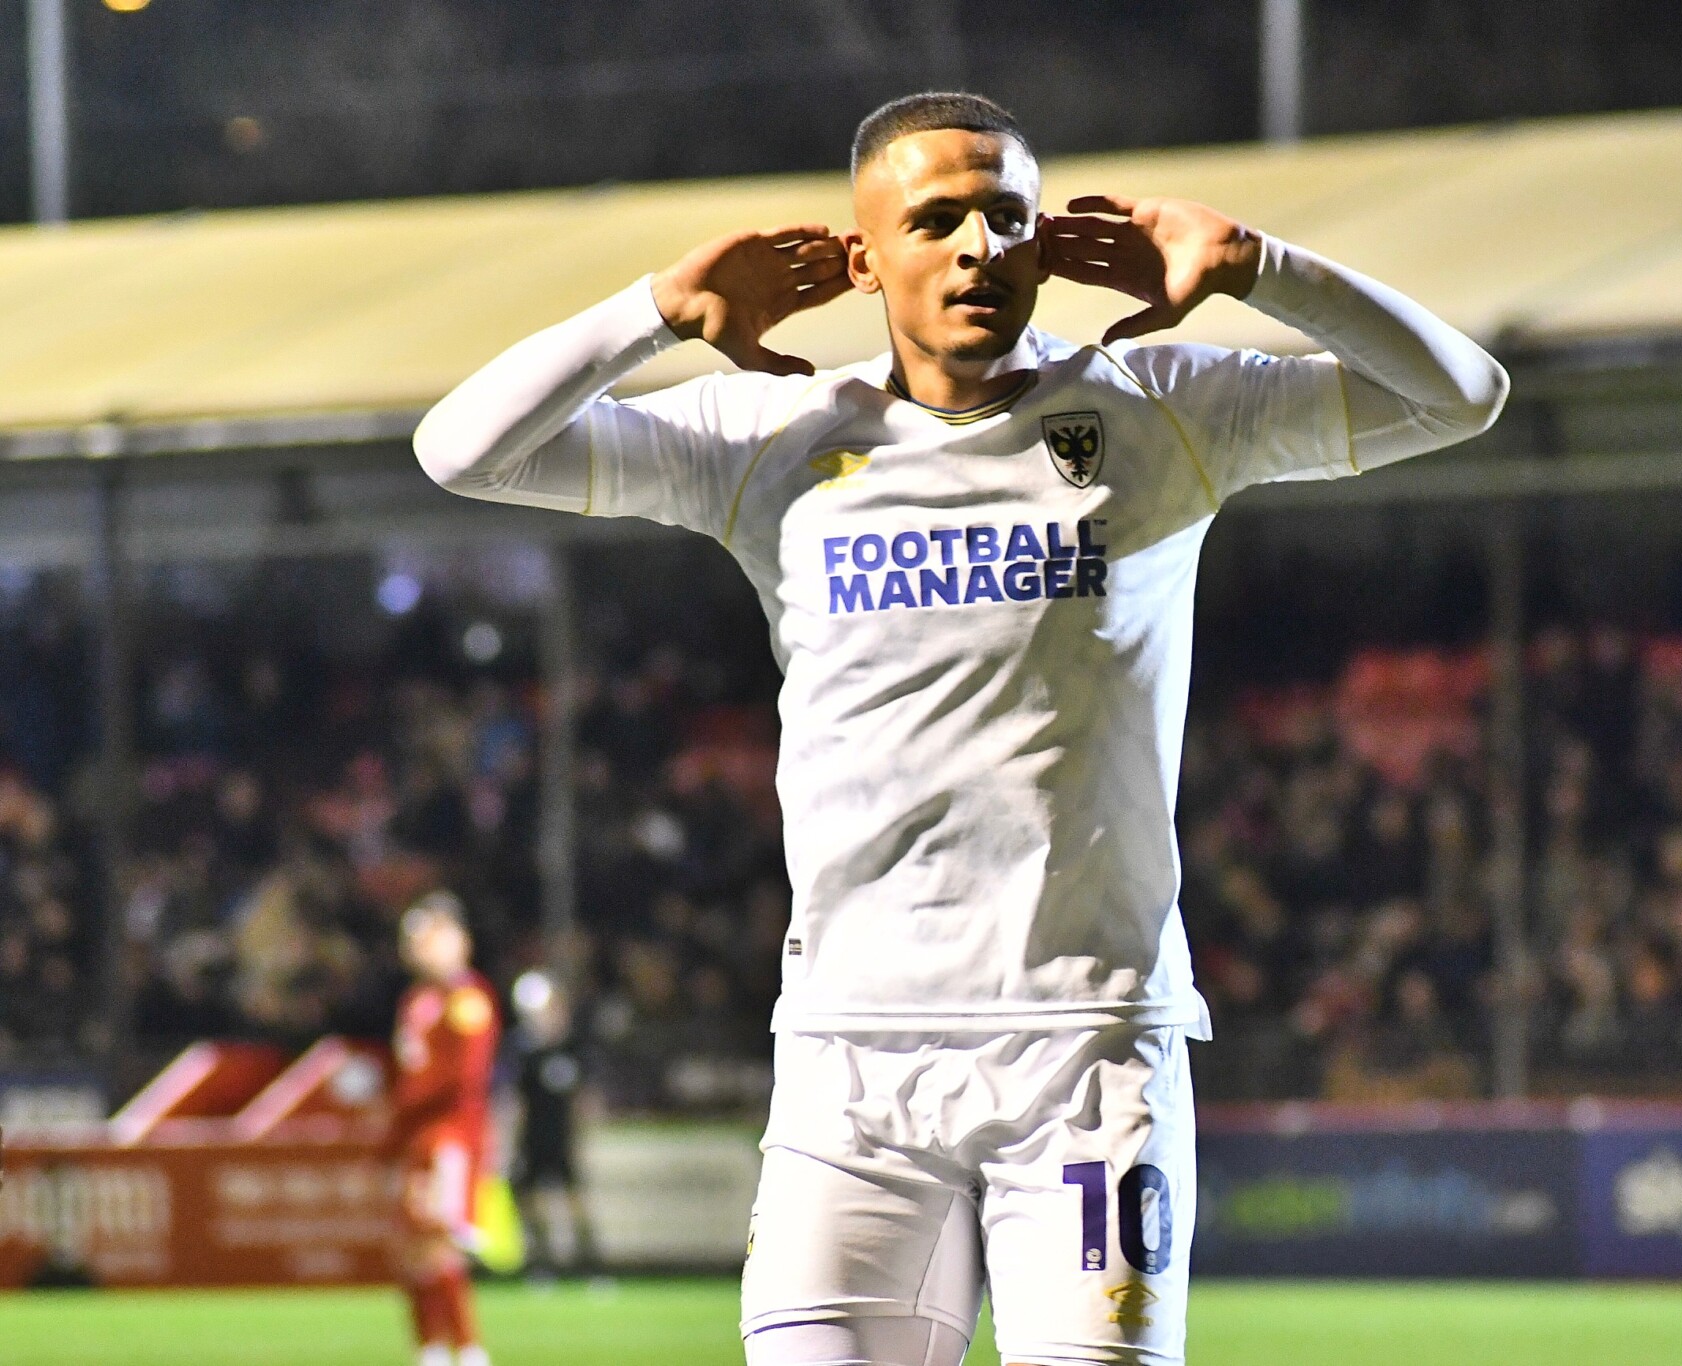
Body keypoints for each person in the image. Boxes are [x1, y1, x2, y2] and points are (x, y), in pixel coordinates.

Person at [415, 90, 1506, 1366]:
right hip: (849, 1065)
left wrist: (1258, 266)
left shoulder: (1158, 408)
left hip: (1089, 1057)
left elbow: (1461, 395)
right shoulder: (773, 436)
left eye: (1008, 216)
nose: (980, 246)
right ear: (864, 257)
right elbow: (462, 452)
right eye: (935, 220)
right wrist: (656, 308)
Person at [386, 892, 501, 1366]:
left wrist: (410, 1100)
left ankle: (468, 1350)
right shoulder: (416, 999)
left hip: (450, 1136)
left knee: (440, 1244)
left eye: (431, 935)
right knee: (411, 1246)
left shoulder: (467, 999)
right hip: (415, 1136)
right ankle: (430, 1347)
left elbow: (464, 1078)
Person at [508, 969, 600, 1276]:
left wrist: (581, 1135)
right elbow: (516, 1101)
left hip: (562, 1135)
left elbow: (583, 1098)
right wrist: (512, 1140)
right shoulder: (524, 1052)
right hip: (533, 1136)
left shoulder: (573, 1046)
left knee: (573, 1196)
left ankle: (588, 1261)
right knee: (530, 1197)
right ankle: (540, 1259)